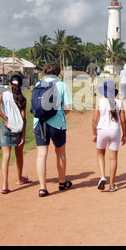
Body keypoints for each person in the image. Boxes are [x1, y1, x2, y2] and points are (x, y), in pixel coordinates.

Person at [33, 62, 73, 197]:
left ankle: (42, 187)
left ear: (45, 72)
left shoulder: (39, 85)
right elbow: (67, 107)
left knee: (41, 155)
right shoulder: (61, 85)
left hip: (39, 123)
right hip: (57, 124)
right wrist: (60, 116)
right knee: (60, 152)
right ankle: (62, 182)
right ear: (58, 72)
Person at [0, 74, 29, 194]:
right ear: (21, 85)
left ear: (9, 84)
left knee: (5, 157)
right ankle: (19, 179)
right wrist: (23, 136)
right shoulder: (22, 99)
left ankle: (5, 185)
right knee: (19, 155)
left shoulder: (3, 95)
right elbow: (24, 119)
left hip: (6, 127)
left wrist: (5, 118)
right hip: (18, 129)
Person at [92, 80, 126, 192]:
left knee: (100, 154)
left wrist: (94, 133)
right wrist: (125, 134)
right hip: (115, 131)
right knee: (113, 158)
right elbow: (123, 121)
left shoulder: (100, 102)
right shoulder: (119, 102)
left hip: (102, 130)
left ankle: (102, 176)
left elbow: (94, 120)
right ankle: (112, 185)